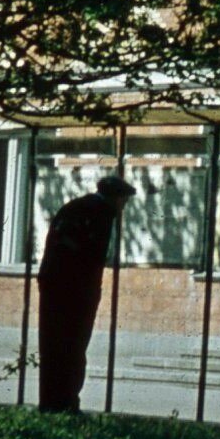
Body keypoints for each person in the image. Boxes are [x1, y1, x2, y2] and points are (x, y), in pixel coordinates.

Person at [36, 175, 136, 413]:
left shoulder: (77, 207)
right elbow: (91, 257)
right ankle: (66, 401)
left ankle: (51, 402)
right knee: (74, 346)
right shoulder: (101, 213)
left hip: (53, 285)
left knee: (52, 345)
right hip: (76, 291)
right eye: (124, 201)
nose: (124, 207)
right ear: (116, 198)